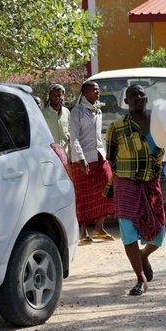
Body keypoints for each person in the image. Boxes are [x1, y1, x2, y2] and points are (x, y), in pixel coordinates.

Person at [105, 84, 165, 296]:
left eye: (141, 94)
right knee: (129, 233)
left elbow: (162, 149)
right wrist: (126, 175)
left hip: (151, 183)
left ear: (146, 99)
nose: (138, 98)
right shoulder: (117, 127)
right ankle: (140, 279)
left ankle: (143, 255)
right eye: (134, 95)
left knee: (159, 233)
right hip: (126, 184)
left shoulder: (157, 124)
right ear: (126, 101)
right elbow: (110, 156)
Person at [68, 81, 114, 243]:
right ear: (85, 92)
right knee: (83, 195)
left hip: (99, 156)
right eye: (94, 89)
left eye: (98, 89)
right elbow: (73, 137)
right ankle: (82, 231)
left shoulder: (98, 111)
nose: (98, 92)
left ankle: (99, 227)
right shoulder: (77, 112)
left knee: (108, 189)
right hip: (83, 158)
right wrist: (80, 157)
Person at [42, 84, 72, 150]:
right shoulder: (42, 114)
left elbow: (69, 130)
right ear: (49, 97)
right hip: (50, 153)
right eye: (54, 95)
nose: (56, 98)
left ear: (63, 97)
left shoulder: (67, 112)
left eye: (59, 95)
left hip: (65, 153)